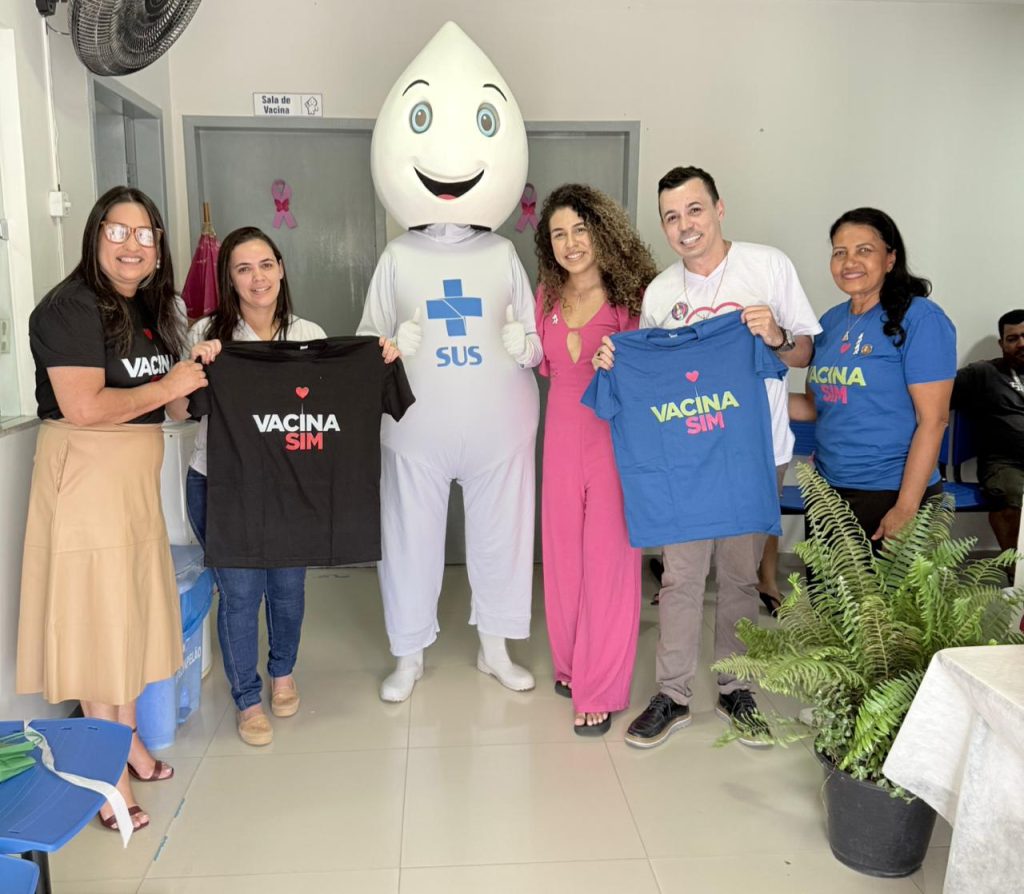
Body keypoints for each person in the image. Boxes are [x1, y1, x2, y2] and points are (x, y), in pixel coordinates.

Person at [594, 165, 820, 748]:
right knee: (680, 577)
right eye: (671, 216)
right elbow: (650, 375)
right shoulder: (660, 293)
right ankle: (672, 695)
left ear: (719, 208)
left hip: (753, 453)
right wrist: (615, 363)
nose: (684, 225)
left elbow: (803, 352)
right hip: (685, 461)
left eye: (694, 209)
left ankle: (735, 689)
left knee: (741, 577)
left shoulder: (767, 266)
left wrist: (775, 336)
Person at [357, 23, 542, 702]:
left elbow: (535, 337)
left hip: (499, 427)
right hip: (415, 429)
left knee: (502, 538)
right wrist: (391, 345)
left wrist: (527, 346)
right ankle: (408, 655)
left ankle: (496, 647)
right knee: (408, 540)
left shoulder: (502, 254)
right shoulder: (397, 256)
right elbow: (365, 342)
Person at [17, 186, 209, 832]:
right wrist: (168, 385)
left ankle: (125, 742)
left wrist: (197, 372)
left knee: (123, 620)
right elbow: (84, 407)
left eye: (145, 234)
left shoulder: (148, 309)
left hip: (131, 488)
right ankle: (108, 779)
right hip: (86, 484)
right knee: (100, 629)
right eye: (118, 232)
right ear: (95, 235)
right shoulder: (70, 307)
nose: (133, 246)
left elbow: (168, 403)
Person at [533, 184, 656, 735]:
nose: (571, 243)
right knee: (562, 559)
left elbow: (652, 373)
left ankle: (600, 686)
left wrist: (624, 360)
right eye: (559, 234)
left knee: (609, 562)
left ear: (601, 231)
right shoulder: (545, 295)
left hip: (613, 440)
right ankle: (569, 663)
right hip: (560, 438)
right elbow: (544, 365)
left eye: (580, 229)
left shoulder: (633, 297)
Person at [790, 208, 956, 540]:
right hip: (828, 492)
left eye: (864, 250)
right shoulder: (830, 322)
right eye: (840, 252)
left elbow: (934, 420)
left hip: (892, 493)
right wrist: (752, 395)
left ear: (891, 259)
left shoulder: (921, 318)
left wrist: (906, 508)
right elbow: (816, 405)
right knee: (824, 579)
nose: (849, 262)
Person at [952, 309, 1024, 551]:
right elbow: (934, 396)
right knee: (1010, 493)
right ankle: (1014, 568)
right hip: (1006, 463)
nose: (1021, 343)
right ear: (1001, 344)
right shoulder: (983, 373)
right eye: (1013, 338)